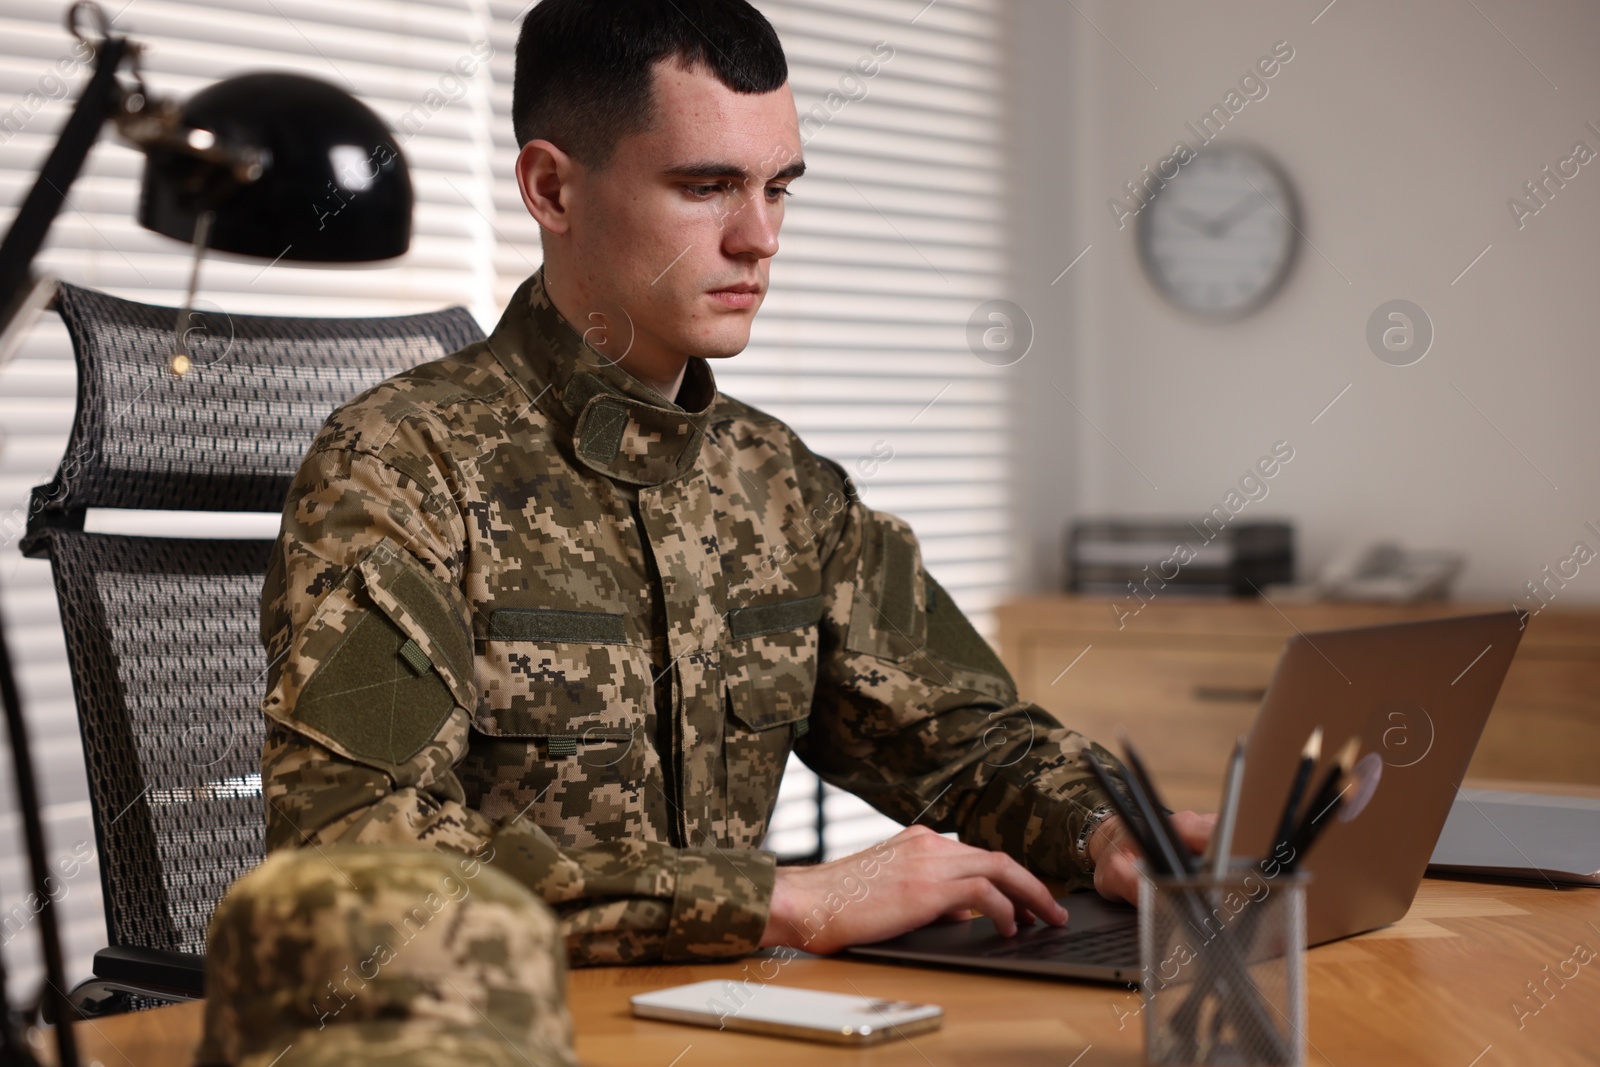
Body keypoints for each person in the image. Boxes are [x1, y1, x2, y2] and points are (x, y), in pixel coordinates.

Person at [259, 0, 1214, 966]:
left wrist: (1110, 830)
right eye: (708, 186)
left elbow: (957, 733)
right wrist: (781, 902)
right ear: (552, 189)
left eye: (778, 187)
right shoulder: (398, 465)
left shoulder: (782, 482)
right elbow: (350, 863)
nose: (759, 238)